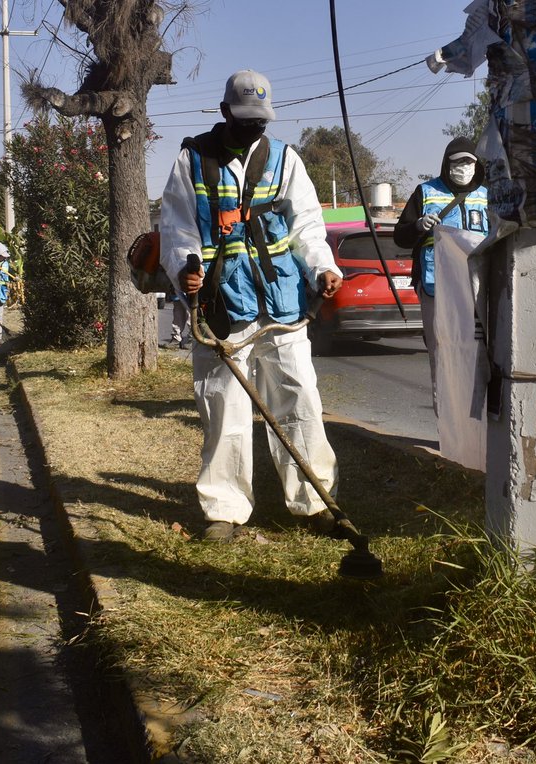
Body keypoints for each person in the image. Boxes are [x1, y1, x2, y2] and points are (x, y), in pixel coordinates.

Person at [159, 69, 344, 542]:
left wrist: (321, 268)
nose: (254, 127)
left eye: (260, 120)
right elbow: (177, 226)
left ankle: (315, 499)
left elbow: (307, 226)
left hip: (280, 299)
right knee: (224, 406)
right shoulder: (193, 159)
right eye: (244, 119)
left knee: (299, 398)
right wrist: (186, 267)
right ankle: (224, 510)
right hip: (221, 302)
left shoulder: (286, 159)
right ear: (225, 113)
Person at [392, 137, 489, 410]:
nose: (463, 167)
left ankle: (477, 424)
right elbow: (401, 237)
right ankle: (446, 423)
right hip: (437, 288)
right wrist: (419, 226)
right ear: (447, 163)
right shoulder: (425, 192)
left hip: (479, 289)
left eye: (469, 162)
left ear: (476, 164)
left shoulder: (488, 195)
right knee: (442, 353)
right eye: (457, 162)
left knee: (478, 354)